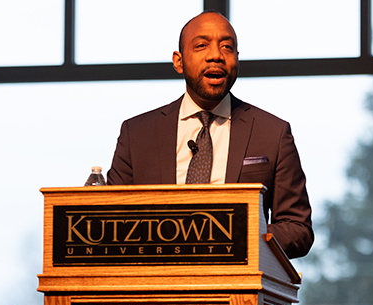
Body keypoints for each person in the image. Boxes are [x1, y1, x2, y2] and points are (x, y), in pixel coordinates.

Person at [107, 11, 313, 258]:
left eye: (227, 47)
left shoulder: (272, 133)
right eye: (201, 45)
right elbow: (110, 222)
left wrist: (236, 236)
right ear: (178, 61)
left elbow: (298, 230)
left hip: (238, 289)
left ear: (237, 59)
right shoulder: (137, 134)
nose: (216, 55)